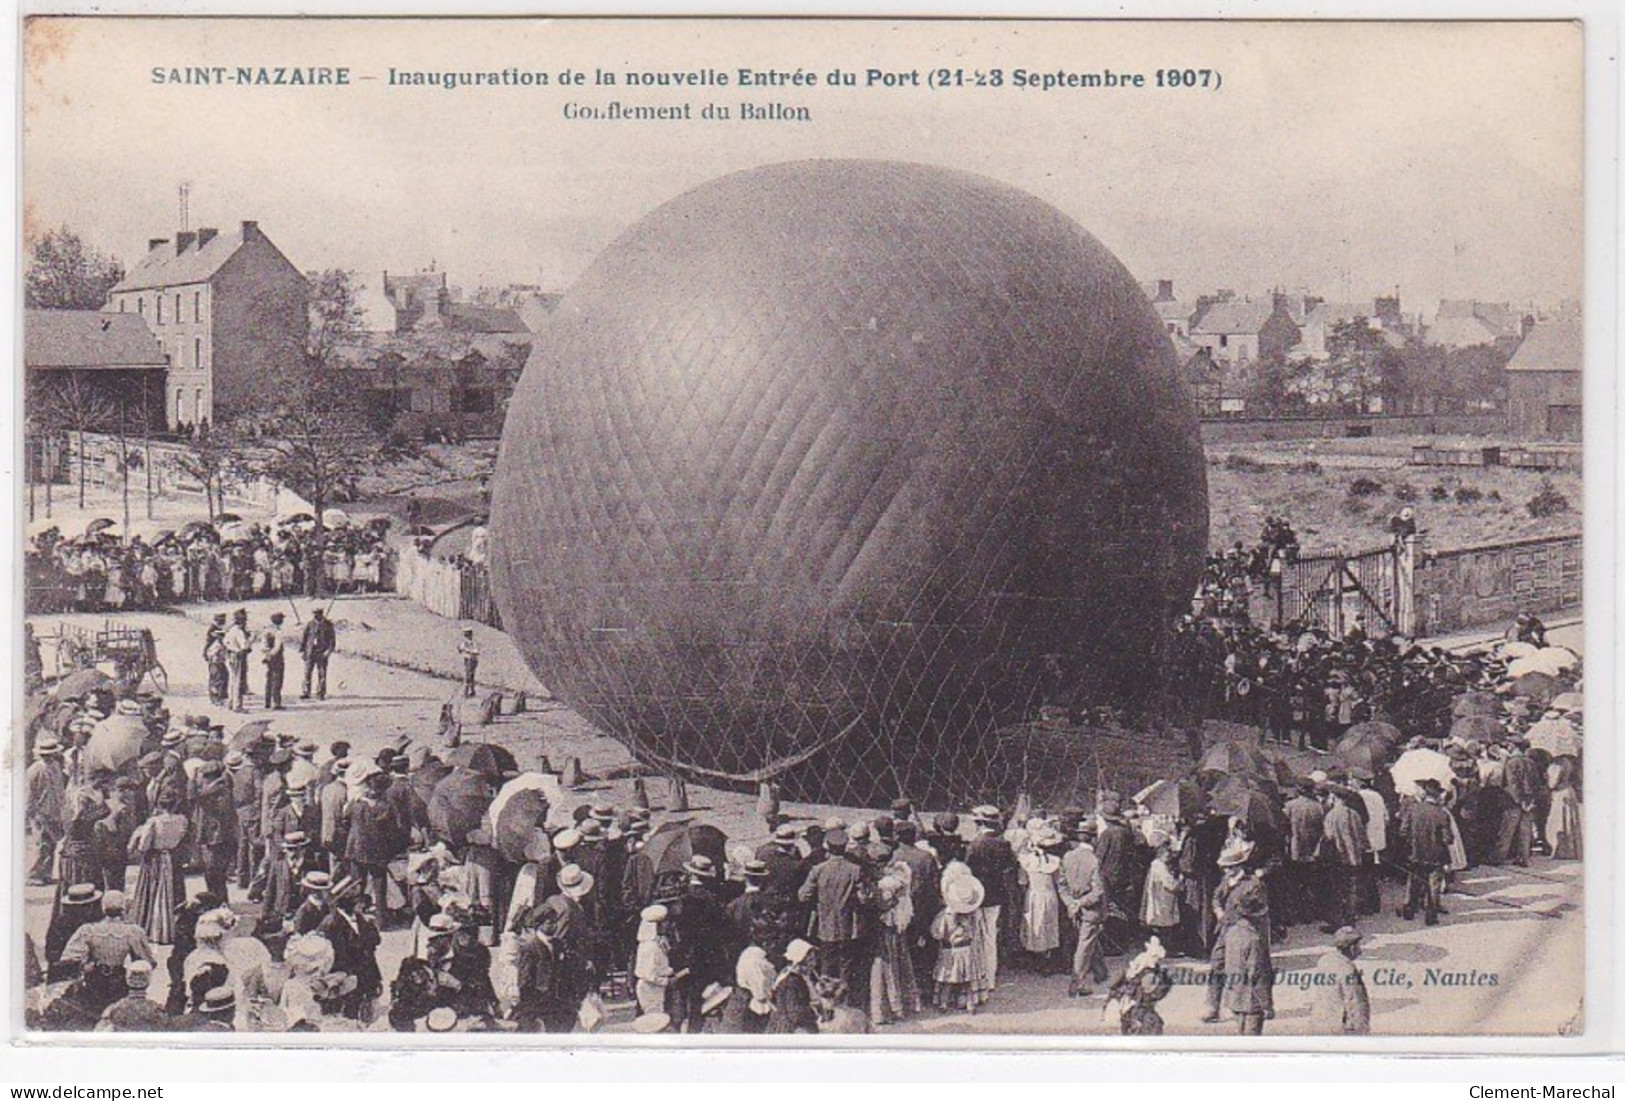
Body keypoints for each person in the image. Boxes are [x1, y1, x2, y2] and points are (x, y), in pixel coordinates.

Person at [1203, 839, 1273, 1035]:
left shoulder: (1254, 884)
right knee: (1216, 964)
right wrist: (1218, 911)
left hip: (1244, 931)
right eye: (1224, 868)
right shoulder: (1226, 881)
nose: (1225, 872)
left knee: (1249, 969)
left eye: (1228, 868)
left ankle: (1251, 1005)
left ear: (1238, 866)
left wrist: (1234, 911)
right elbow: (1216, 897)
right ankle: (1212, 1005)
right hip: (1225, 929)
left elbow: (1257, 910)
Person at [59, 890, 156, 1014]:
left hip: (95, 980)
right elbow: (147, 962)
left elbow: (69, 958)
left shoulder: (88, 930)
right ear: (123, 908)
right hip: (120, 980)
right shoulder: (133, 932)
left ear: (103, 908)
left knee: (95, 1013)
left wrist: (85, 966)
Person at [798, 828, 866, 998]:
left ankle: (826, 1002)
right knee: (846, 967)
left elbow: (803, 896)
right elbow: (864, 898)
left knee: (827, 966)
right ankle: (845, 1001)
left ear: (827, 846)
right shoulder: (855, 870)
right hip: (849, 926)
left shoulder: (818, 869)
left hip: (825, 925)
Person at [965, 805, 1016, 991]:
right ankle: (990, 977)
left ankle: (977, 976)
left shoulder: (975, 844)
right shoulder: (1003, 844)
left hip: (977, 896)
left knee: (976, 936)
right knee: (990, 937)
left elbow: (968, 870)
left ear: (980, 823)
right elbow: (1010, 868)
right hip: (996, 895)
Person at [1058, 820, 1109, 997]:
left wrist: (1070, 903)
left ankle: (1101, 972)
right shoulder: (1095, 861)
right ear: (1094, 839)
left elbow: (1062, 885)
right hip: (1090, 910)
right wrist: (1081, 902)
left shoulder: (1068, 857)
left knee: (1090, 940)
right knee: (1084, 947)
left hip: (1073, 908)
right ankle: (1077, 984)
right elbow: (1098, 891)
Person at [1397, 780, 1454, 926]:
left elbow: (1403, 831)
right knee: (1434, 885)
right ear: (1438, 796)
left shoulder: (1413, 809)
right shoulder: (1442, 814)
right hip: (1436, 855)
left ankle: (1409, 911)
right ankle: (1431, 916)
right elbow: (1448, 839)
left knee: (1414, 882)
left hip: (1416, 853)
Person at [1309, 926, 1371, 1035]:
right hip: (1339, 1027)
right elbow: (1355, 1002)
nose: (1360, 950)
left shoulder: (1324, 961)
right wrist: (1362, 1031)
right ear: (1351, 947)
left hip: (1319, 1022)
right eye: (1358, 946)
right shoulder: (1347, 969)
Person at [26, 735, 67, 885]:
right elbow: (30, 793)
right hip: (41, 812)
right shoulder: (35, 770)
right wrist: (30, 812)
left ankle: (46, 872)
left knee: (51, 843)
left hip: (54, 811)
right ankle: (35, 874)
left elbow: (60, 789)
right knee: (42, 844)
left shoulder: (55, 766)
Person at [96, 958, 170, 1032]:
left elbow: (99, 1035)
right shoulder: (156, 1011)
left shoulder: (113, 1010)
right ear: (149, 980)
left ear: (127, 979)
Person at [766, 939, 819, 1034]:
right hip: (791, 1028)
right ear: (799, 961)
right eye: (809, 960)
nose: (813, 964)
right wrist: (814, 1011)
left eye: (814, 959)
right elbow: (794, 1013)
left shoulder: (800, 977)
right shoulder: (791, 982)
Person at [633, 903, 673, 1016]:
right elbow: (649, 974)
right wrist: (667, 981)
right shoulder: (651, 947)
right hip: (650, 989)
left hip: (656, 988)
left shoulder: (657, 943)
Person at [299, 607, 337, 700]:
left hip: (322, 652)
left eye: (317, 614)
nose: (315, 616)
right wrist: (303, 650)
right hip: (310, 652)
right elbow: (305, 637)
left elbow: (332, 640)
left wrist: (328, 651)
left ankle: (321, 693)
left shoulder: (328, 625)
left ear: (321, 614)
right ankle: (306, 692)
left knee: (322, 673)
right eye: (314, 614)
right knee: (307, 672)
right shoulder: (310, 624)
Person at [224, 609, 252, 712]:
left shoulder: (231, 630)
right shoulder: (239, 632)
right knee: (239, 681)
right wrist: (251, 639)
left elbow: (225, 642)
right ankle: (238, 706)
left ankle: (231, 703)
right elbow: (245, 646)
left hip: (231, 654)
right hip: (238, 655)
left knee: (233, 679)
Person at [261, 612, 288, 710]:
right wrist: (272, 655)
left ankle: (267, 702)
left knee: (269, 679)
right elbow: (277, 647)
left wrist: (266, 655)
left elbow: (263, 645)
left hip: (268, 656)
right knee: (277, 680)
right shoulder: (278, 632)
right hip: (277, 658)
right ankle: (276, 703)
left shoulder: (266, 630)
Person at [204, 613, 229, 706]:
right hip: (215, 660)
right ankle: (216, 698)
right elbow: (209, 646)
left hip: (218, 660)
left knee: (223, 676)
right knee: (217, 679)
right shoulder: (213, 630)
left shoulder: (216, 628)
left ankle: (220, 697)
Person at [457, 628, 480, 699]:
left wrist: (467, 650)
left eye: (468, 635)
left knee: (469, 676)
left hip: (472, 660)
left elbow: (476, 652)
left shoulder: (474, 643)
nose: (467, 637)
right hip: (466, 659)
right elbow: (460, 648)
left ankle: (467, 691)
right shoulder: (465, 642)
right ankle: (471, 691)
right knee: (469, 676)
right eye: (466, 635)